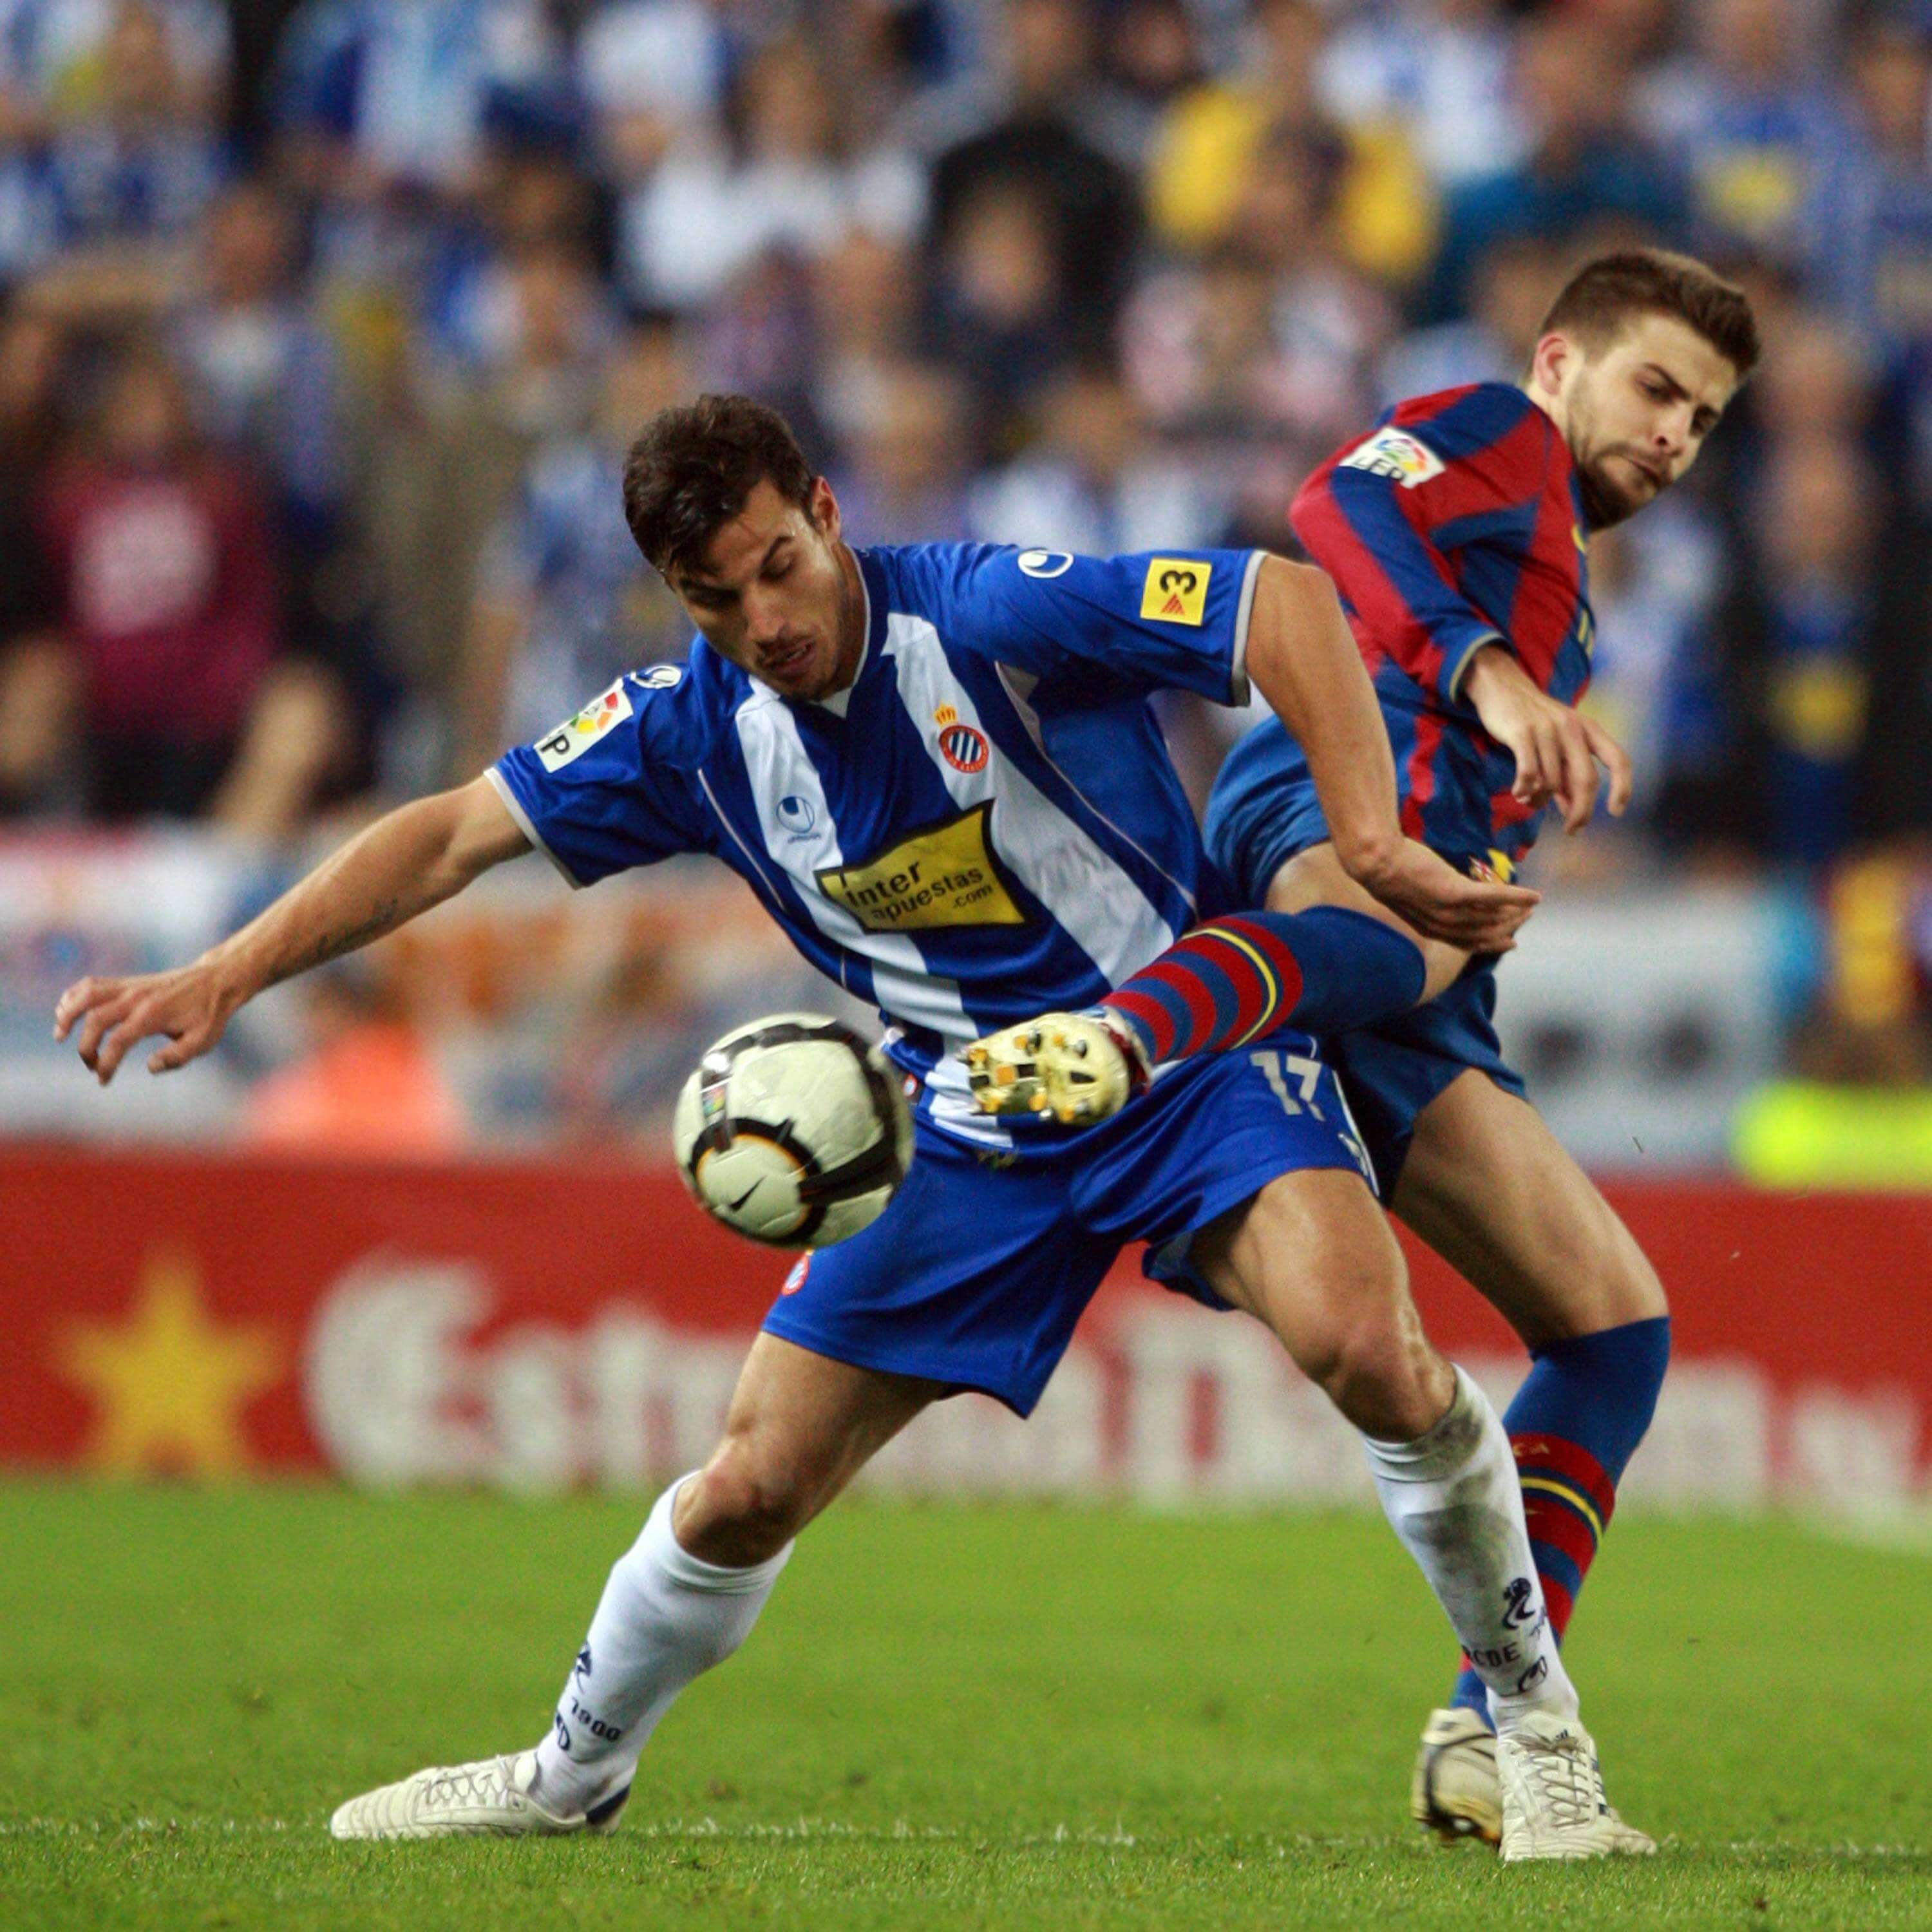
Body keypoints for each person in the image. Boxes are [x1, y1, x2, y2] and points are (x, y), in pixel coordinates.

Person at [56, 393, 1627, 1861]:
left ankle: (1535, 1724)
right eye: (718, 601)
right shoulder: (687, 730)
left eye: (782, 569)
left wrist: (1365, 834)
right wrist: (225, 971)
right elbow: (452, 835)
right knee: (746, 1484)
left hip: (1184, 1058)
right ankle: (567, 1774)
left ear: (825, 511)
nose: (769, 624)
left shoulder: (987, 609)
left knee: (1371, 1351)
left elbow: (1280, 600)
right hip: (962, 1117)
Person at [968, 248, 1757, 1847]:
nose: (1677, 436)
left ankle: (1490, 1727)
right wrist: (1486, 677)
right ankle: (1130, 1036)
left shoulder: (1563, 580)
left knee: (1612, 1329)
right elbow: (1333, 512)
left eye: (1708, 418)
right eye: (1657, 388)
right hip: (1333, 809)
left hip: (1413, 961)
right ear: (1560, 362)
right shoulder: (1493, 429)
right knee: (1384, 946)